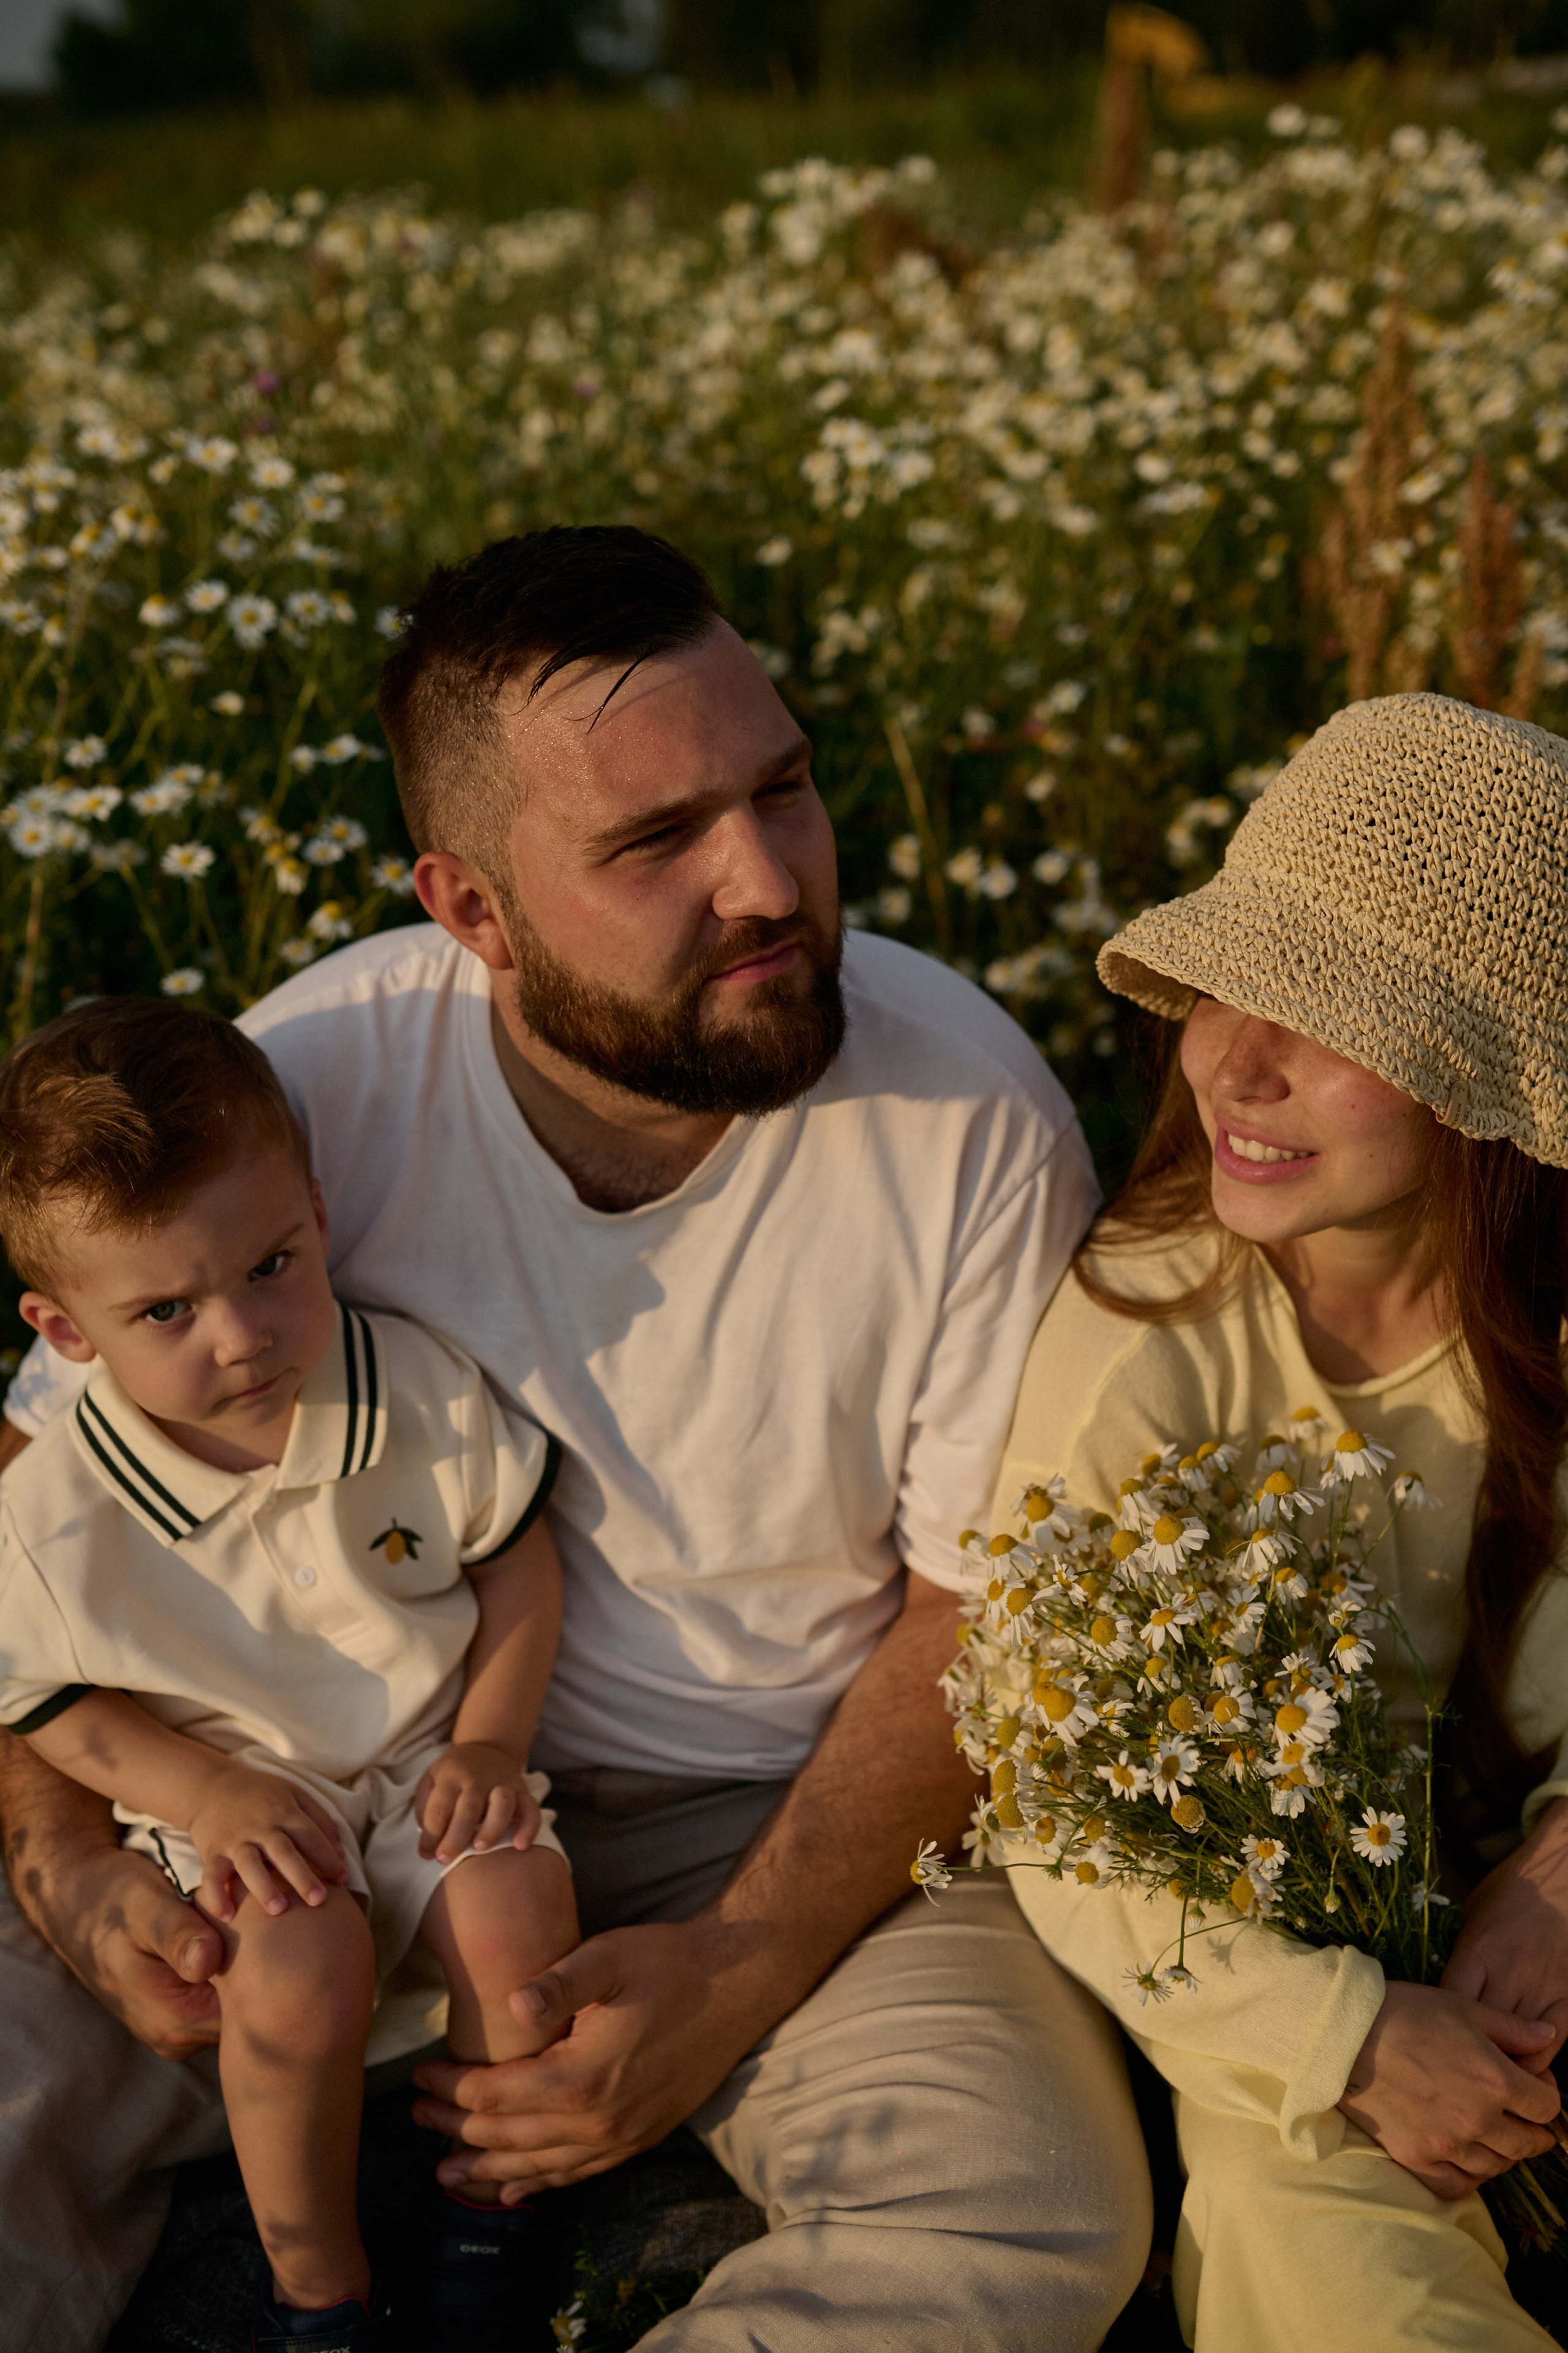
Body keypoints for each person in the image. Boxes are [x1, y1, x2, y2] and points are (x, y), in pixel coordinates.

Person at [0, 525, 1150, 2352]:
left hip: (766, 1819)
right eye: (655, 841)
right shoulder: (315, 1087)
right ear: (468, 909)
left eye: (784, 786)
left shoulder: (961, 1113)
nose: (770, 878)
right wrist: (66, 1860)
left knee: (1026, 2213)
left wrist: (746, 1963)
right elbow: (36, 1495)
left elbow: (979, 1615)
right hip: (294, 1795)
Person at [992, 690, 1568, 2350]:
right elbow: (1065, 1820)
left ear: (1485, 1086)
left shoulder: (1540, 1319)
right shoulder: (1151, 1354)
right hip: (1291, 2004)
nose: (1233, 1059)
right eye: (1225, 987)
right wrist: (1357, 2037)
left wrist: (1554, 1870)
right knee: (1317, 2251)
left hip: (1524, 1928)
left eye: (1326, 1020)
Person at [0, 998, 578, 2352]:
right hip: (236, 1800)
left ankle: (492, 2204)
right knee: (296, 1962)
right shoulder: (59, 1511)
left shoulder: (409, 1386)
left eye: (271, 1263)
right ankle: (318, 2279)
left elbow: (516, 1565)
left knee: (510, 1909)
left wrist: (490, 1745)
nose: (242, 1334)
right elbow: (53, 1706)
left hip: (424, 1764)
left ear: (318, 1210)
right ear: (66, 1329)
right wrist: (206, 1795)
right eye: (166, 1309)